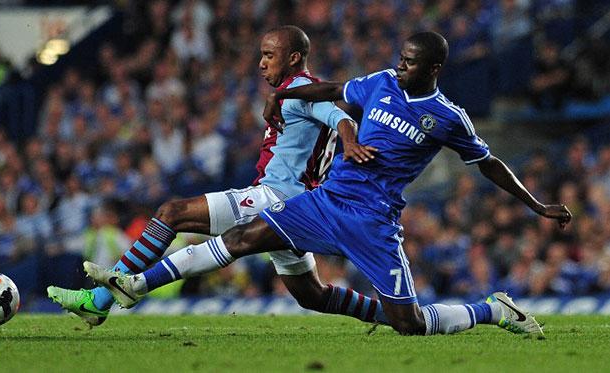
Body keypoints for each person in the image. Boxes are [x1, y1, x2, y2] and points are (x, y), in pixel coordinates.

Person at [84, 31, 573, 337]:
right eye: (399, 58)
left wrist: (536, 205)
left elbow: (486, 163)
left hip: (373, 220)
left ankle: (493, 311)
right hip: (327, 200)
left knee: (410, 323)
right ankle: (134, 284)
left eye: (409, 63)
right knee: (242, 238)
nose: (400, 66)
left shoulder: (447, 118)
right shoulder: (381, 82)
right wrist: (283, 97)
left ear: (433, 69)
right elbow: (334, 90)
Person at [48, 25, 387, 327]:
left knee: (172, 214)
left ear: (294, 57)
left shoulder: (300, 90)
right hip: (295, 207)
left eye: (269, 55)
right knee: (312, 296)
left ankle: (101, 300)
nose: (261, 63)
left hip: (275, 199)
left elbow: (341, 118)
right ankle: (390, 315)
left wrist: (351, 142)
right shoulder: (295, 92)